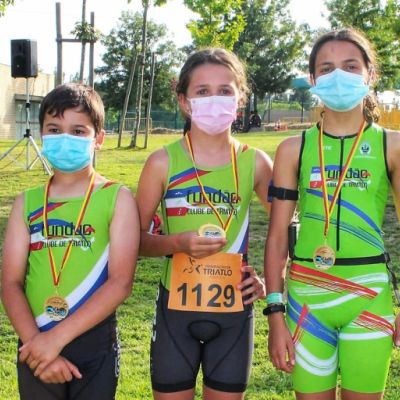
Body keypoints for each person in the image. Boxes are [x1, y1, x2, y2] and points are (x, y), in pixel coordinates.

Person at [264, 28, 400, 400]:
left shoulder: (391, 144)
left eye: (350, 66)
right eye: (327, 68)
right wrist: (275, 313)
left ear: (370, 75)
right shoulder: (293, 148)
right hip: (307, 301)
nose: (338, 76)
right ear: (313, 79)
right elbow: (276, 238)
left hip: (369, 296)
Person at [136, 48, 273, 400]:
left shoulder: (256, 163)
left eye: (225, 90)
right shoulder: (161, 162)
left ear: (240, 99)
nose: (214, 100)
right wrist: (176, 243)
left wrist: (270, 282)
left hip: (234, 311)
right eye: (202, 91)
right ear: (184, 101)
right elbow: (134, 242)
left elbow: (288, 230)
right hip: (175, 311)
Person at [1, 83, 139, 400]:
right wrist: (37, 343)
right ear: (41, 134)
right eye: (54, 129)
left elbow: (121, 283)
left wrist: (55, 340)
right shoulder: (27, 202)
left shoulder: (116, 197)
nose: (65, 138)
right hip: (35, 339)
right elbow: (10, 283)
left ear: (98, 138)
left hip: (94, 342)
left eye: (78, 131)